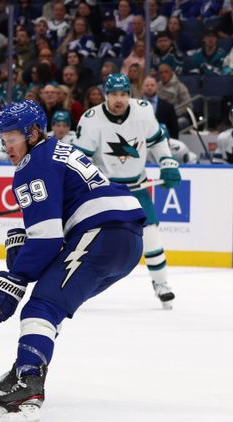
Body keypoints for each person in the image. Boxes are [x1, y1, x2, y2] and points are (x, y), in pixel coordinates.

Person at [0, 99, 145, 422]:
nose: (6, 147)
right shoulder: (56, 149)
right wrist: (27, 250)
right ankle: (28, 361)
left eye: (11, 138)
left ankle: (29, 381)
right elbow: (53, 233)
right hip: (125, 242)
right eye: (2, 139)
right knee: (52, 302)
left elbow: (46, 240)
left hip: (102, 233)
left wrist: (13, 279)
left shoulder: (32, 164)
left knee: (41, 304)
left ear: (32, 133)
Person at [74, 74, 181, 309]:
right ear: (105, 95)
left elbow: (157, 141)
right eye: (113, 94)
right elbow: (80, 158)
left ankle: (161, 284)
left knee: (151, 236)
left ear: (130, 95)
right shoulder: (91, 119)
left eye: (123, 94)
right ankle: (78, 285)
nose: (118, 99)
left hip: (137, 187)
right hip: (107, 191)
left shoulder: (143, 111)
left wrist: (167, 162)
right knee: (93, 240)